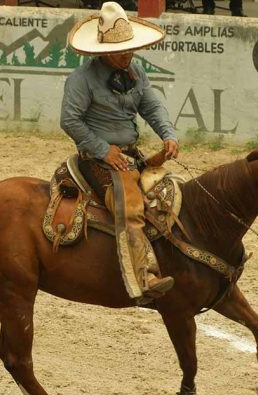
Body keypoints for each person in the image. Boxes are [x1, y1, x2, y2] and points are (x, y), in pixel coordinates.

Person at [60, 2, 179, 304]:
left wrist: (168, 133)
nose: (128, 55)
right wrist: (102, 149)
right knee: (130, 205)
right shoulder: (81, 79)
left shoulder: (135, 71)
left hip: (129, 154)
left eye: (130, 49)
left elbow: (151, 105)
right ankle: (143, 275)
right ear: (102, 52)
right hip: (97, 159)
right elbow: (69, 120)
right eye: (121, 50)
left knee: (169, 192)